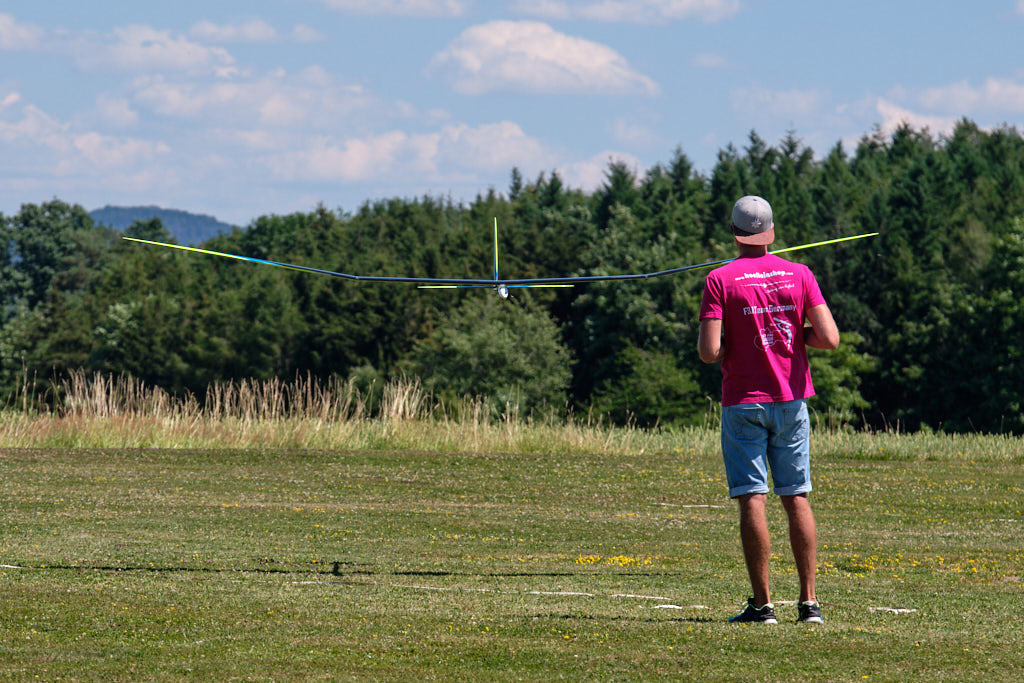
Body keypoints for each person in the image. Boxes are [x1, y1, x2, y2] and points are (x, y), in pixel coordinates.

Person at [697, 195, 839, 624]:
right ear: (771, 232)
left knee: (752, 499)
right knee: (796, 497)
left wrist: (738, 338)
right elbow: (829, 338)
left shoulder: (719, 279)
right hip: (791, 401)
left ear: (734, 233)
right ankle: (809, 604)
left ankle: (762, 607)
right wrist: (793, 333)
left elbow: (709, 352)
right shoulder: (800, 274)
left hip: (744, 403)